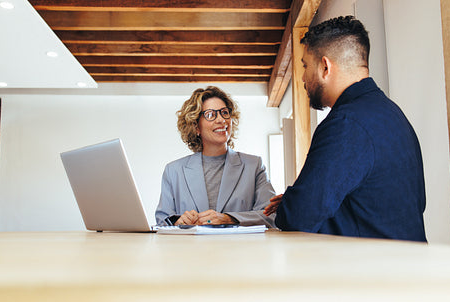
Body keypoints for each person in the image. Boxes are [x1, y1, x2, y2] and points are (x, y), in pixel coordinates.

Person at [264, 16, 427, 241]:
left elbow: (298, 217)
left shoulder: (345, 124)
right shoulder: (393, 114)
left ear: (325, 66)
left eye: (304, 66)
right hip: (404, 266)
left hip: (371, 271)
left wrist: (293, 201)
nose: (302, 77)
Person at [155, 86, 276, 227]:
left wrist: (230, 218)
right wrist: (178, 222)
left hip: (241, 248)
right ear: (196, 126)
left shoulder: (254, 165)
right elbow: (161, 222)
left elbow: (272, 215)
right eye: (211, 115)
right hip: (190, 249)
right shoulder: (173, 171)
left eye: (224, 113)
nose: (221, 120)